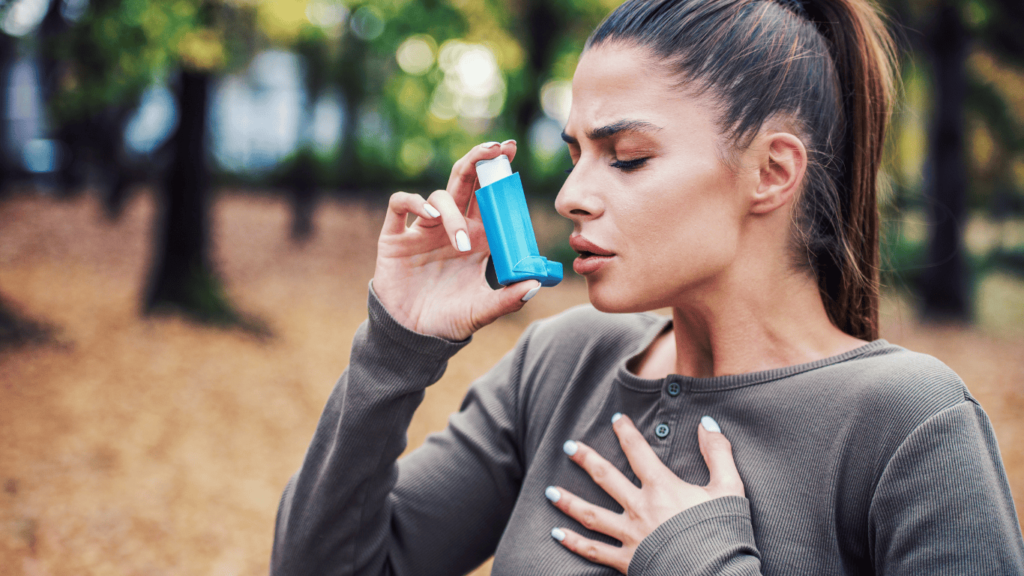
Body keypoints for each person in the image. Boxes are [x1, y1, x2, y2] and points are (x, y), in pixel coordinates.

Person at [271, 0, 1024, 573]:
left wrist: (696, 556)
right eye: (575, 154)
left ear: (772, 172)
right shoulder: (562, 364)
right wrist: (395, 348)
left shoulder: (909, 423)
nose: (570, 195)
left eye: (625, 157)